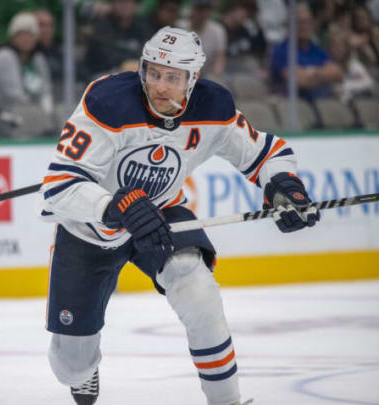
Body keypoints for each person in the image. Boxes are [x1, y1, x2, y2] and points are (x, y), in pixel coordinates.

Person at [39, 26, 320, 405]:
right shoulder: (107, 101)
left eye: (172, 77)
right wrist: (113, 206)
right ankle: (83, 370)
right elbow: (59, 186)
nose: (160, 86)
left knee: (198, 290)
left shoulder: (213, 106)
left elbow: (267, 153)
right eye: (153, 73)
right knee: (70, 364)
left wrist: (284, 186)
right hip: (90, 227)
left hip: (160, 212)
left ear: (193, 79)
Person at [269, 3, 343, 100]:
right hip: (294, 106)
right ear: (289, 25)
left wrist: (310, 72)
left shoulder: (318, 50)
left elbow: (338, 74)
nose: (304, 26)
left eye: (308, 22)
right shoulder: (281, 50)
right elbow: (298, 80)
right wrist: (323, 73)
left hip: (322, 102)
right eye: (299, 22)